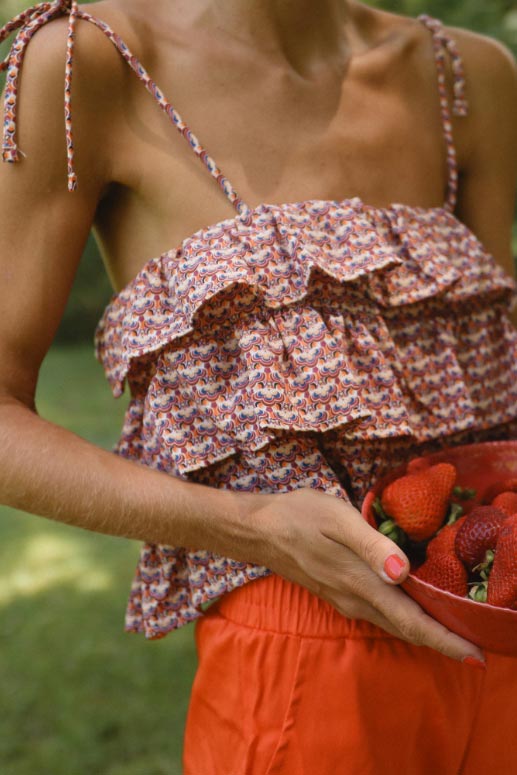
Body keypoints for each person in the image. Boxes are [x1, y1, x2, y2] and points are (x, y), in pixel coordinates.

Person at [1, 0, 517, 771]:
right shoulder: (89, 60)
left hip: (499, 622)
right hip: (308, 671)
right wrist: (250, 525)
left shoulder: (467, 75)